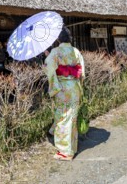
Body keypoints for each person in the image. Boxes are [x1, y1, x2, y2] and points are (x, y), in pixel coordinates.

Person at [44, 26, 85, 161]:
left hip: (62, 88)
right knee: (71, 118)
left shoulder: (55, 51)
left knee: (62, 118)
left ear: (58, 38)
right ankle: (72, 148)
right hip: (74, 87)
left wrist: (54, 87)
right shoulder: (75, 51)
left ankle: (65, 152)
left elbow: (49, 68)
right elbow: (82, 72)